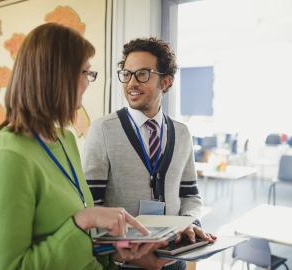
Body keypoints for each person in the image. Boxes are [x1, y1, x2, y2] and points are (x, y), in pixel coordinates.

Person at [0, 23, 168, 270]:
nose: (88, 82)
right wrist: (83, 220)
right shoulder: (10, 156)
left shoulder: (65, 140)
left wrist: (123, 252)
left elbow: (84, 243)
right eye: (85, 72)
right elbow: (9, 267)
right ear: (57, 76)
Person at [83, 37, 216, 269]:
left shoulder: (182, 133)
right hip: (126, 261)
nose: (131, 83)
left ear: (165, 82)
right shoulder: (103, 129)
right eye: (127, 74)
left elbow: (190, 195)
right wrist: (125, 250)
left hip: (174, 258)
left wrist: (188, 223)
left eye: (142, 74)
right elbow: (92, 203)